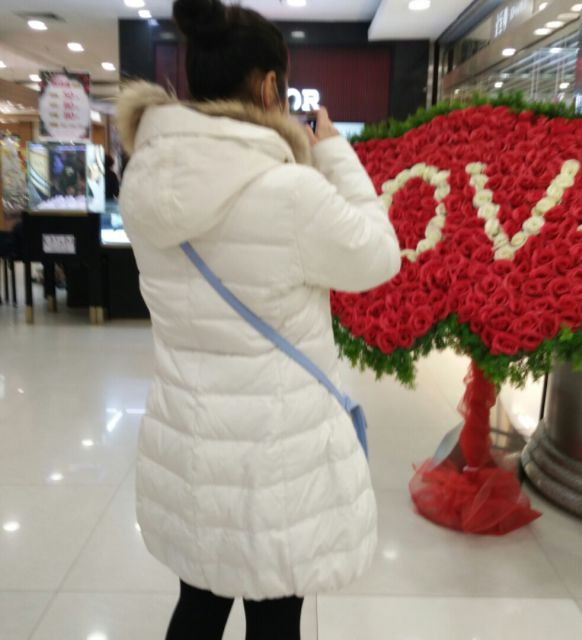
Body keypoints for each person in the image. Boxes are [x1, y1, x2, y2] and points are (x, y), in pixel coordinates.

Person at [116, 0, 401, 638]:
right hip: (278, 453)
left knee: (199, 603)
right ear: (271, 86)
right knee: (275, 616)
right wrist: (334, 152)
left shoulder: (144, 182)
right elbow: (379, 256)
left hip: (190, 436)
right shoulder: (291, 192)